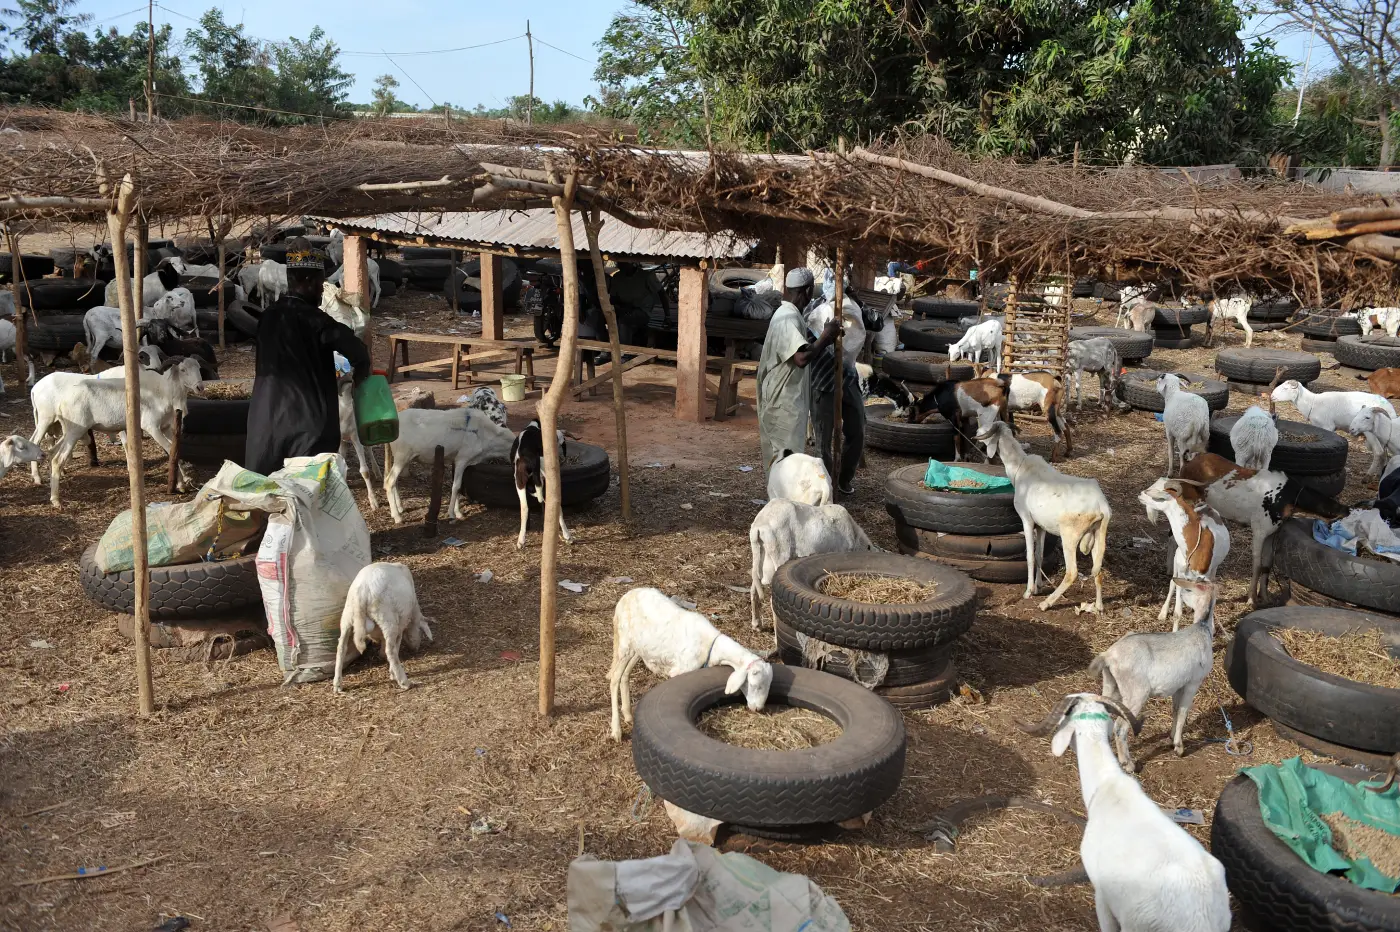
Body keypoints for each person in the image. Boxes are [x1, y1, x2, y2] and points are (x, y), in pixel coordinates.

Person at [245, 237, 372, 476]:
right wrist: (359, 380)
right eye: (320, 284)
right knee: (305, 496)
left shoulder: (268, 317)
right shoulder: (316, 320)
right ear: (308, 281)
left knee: (266, 494)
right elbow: (358, 352)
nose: (322, 291)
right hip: (307, 427)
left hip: (265, 424)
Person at [756, 267, 839, 475]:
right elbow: (801, 358)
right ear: (808, 291)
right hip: (782, 399)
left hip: (788, 397)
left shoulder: (792, 315)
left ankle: (783, 500)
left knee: (787, 456)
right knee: (786, 458)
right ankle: (782, 501)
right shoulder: (787, 317)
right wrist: (827, 336)